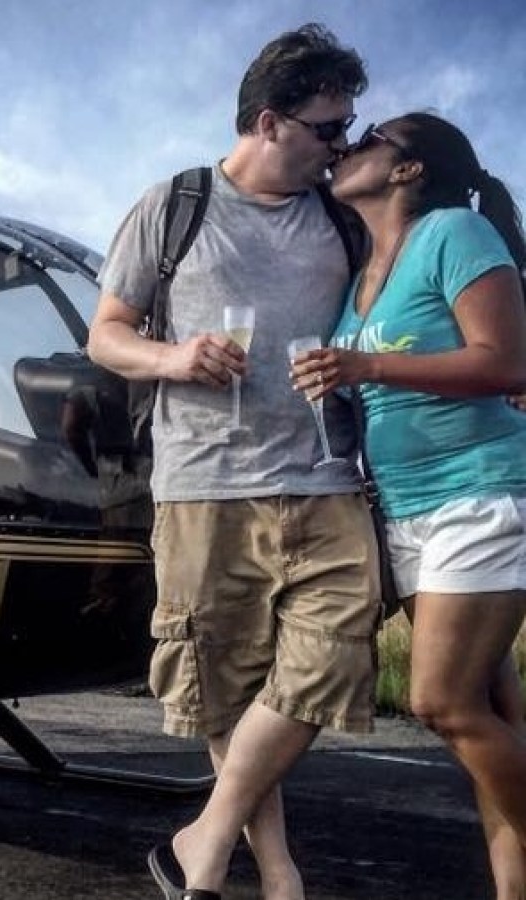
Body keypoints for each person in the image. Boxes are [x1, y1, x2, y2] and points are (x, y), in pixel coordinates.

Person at [88, 23, 380, 900]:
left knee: (333, 658)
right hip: (205, 484)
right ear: (268, 122)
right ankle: (274, 870)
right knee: (227, 684)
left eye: (348, 126)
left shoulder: (343, 222)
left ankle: (202, 834)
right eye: (329, 127)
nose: (343, 145)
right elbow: (107, 336)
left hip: (325, 477)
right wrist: (174, 358)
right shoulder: (172, 205)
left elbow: (391, 318)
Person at [291, 111, 526, 900]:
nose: (345, 148)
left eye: (367, 140)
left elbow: (505, 362)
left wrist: (369, 368)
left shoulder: (454, 232)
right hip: (408, 514)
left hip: (481, 493)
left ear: (406, 170)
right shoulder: (359, 281)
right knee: (491, 717)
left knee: (441, 701)